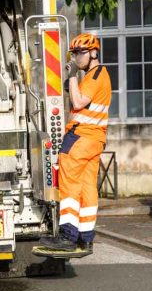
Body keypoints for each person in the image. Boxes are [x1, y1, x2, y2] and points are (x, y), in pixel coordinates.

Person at [40, 33, 111, 253]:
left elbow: (79, 102)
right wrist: (72, 85)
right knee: (88, 189)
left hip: (80, 139)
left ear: (93, 53)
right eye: (74, 53)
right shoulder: (99, 75)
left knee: (70, 186)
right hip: (94, 139)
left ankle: (67, 237)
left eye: (80, 53)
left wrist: (71, 77)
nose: (76, 58)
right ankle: (85, 237)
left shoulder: (96, 75)